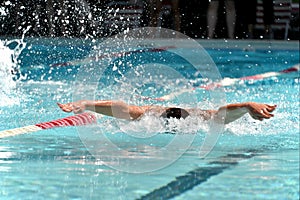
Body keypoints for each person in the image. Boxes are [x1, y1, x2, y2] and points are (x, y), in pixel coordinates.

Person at [57, 100, 276, 124]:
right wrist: (86, 105)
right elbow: (123, 109)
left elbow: (220, 114)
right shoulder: (149, 115)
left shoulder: (198, 119)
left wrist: (247, 106)